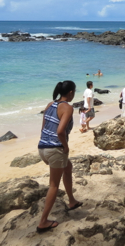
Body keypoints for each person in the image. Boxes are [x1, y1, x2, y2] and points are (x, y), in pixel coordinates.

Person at [37, 81, 83, 234]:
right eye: (74, 91)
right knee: (53, 186)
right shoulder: (68, 107)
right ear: (70, 92)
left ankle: (71, 201)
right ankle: (43, 221)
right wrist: (66, 146)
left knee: (68, 167)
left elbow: (44, 127)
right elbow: (60, 131)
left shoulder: (51, 104)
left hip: (42, 147)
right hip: (55, 148)